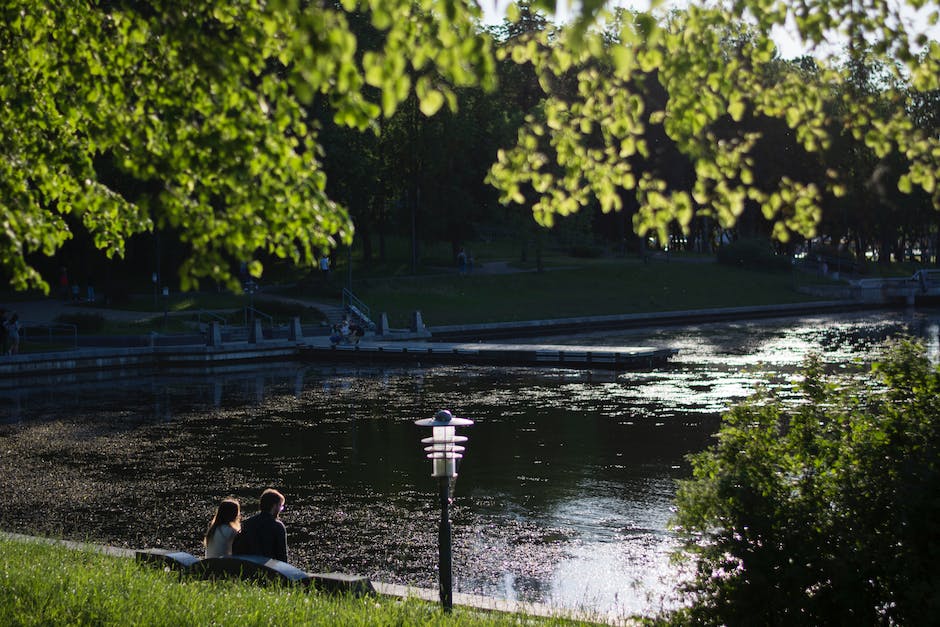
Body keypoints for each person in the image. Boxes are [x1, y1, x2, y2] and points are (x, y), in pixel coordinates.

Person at [232, 488, 288, 562]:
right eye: (280, 506)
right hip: (269, 567)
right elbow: (282, 556)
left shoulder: (247, 523)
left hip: (250, 565)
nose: (280, 510)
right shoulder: (278, 526)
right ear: (274, 506)